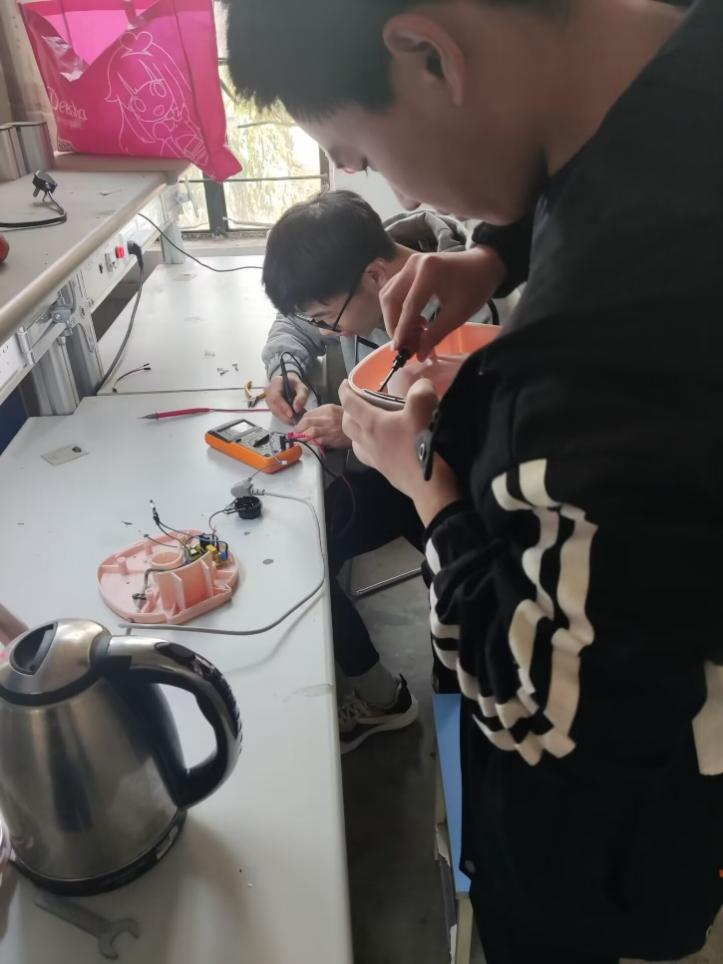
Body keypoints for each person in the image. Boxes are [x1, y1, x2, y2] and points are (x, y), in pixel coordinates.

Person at [227, 1, 722, 962]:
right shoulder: (678, 64)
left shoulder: (597, 340)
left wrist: (427, 486)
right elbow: (608, 163)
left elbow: (551, 719)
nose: (367, 174)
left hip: (588, 840)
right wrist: (494, 253)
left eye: (354, 147)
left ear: (426, 53)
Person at [259, 190, 504, 752]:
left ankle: (462, 741)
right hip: (395, 480)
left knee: (462, 628)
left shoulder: (469, 317)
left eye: (328, 317)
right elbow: (296, 323)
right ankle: (378, 693)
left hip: (451, 496)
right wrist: (285, 367)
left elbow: (461, 448)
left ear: (373, 276)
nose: (330, 332)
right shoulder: (362, 271)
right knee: (303, 544)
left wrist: (356, 427)